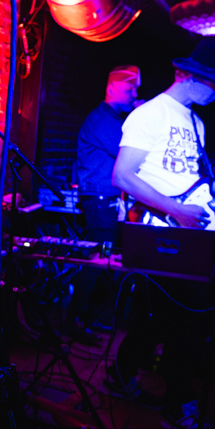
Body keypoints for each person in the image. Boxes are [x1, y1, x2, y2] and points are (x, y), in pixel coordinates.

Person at [110, 39, 215, 429]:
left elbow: (194, 182)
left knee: (158, 318)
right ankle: (178, 406)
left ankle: (121, 375)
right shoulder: (150, 114)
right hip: (163, 235)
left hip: (189, 235)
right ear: (187, 75)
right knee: (186, 322)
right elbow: (123, 175)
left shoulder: (196, 123)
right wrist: (174, 210)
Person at [68, 65, 140, 335]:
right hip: (100, 201)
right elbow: (130, 154)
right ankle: (74, 321)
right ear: (111, 88)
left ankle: (86, 316)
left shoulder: (111, 120)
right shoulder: (102, 120)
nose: (135, 94)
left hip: (105, 199)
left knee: (103, 261)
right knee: (97, 261)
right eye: (129, 89)